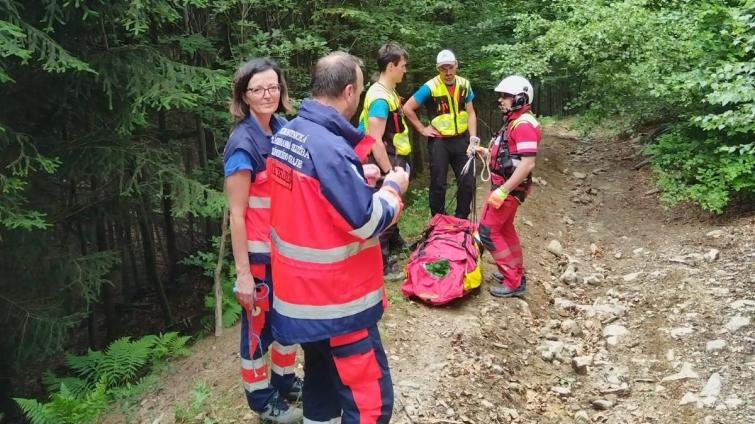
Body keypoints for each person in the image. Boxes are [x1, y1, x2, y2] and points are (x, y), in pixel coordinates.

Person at [267, 51, 409, 424]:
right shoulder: (328, 148)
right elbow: (366, 221)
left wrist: (355, 182)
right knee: (370, 405)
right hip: (338, 305)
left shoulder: (289, 134)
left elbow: (312, 204)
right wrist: (393, 187)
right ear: (349, 91)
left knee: (322, 387)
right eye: (360, 90)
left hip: (300, 301)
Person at [223, 58, 303, 423]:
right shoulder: (243, 145)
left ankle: (285, 381)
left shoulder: (283, 128)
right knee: (257, 329)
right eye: (258, 89)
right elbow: (236, 215)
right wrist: (242, 275)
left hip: (285, 252)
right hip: (257, 258)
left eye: (273, 87)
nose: (267, 94)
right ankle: (260, 398)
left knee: (287, 322)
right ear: (245, 95)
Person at [475, 75, 541, 297]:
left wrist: (503, 191)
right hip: (506, 187)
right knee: (505, 229)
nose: (501, 100)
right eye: (501, 96)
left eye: (506, 96)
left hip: (509, 189)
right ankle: (515, 273)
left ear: (521, 98)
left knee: (487, 231)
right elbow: (509, 155)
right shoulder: (515, 122)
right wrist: (485, 152)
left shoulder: (522, 125)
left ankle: (513, 281)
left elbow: (527, 162)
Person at [402, 49, 479, 219]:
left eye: (450, 67)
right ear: (438, 69)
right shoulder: (430, 87)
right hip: (440, 142)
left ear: (456, 65)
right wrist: (422, 129)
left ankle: (461, 219)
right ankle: (438, 220)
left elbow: (471, 113)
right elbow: (407, 108)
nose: (448, 72)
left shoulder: (464, 85)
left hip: (462, 140)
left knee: (468, 181)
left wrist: (473, 139)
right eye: (443, 68)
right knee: (438, 183)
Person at [358, 42, 411, 280]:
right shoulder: (379, 97)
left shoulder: (388, 92)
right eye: (403, 66)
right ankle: (381, 264)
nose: (405, 70)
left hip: (394, 154)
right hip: (383, 159)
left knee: (396, 201)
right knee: (385, 205)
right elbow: (375, 140)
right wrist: (389, 172)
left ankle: (396, 241)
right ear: (391, 66)